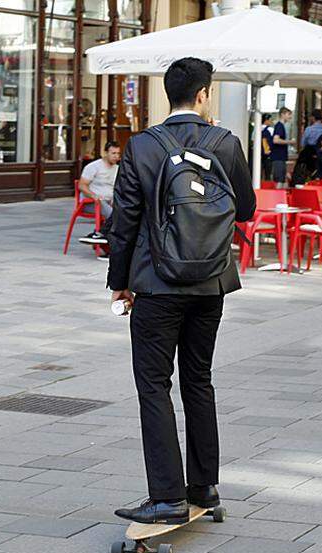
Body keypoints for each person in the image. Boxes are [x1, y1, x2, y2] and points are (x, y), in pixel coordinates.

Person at [106, 57, 256, 525]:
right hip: (211, 281)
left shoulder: (143, 146)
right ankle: (204, 486)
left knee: (154, 385)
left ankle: (167, 496)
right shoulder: (225, 143)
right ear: (204, 93)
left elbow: (124, 221)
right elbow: (247, 208)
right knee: (199, 379)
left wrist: (120, 283)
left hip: (156, 281)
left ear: (167, 94)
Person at [77, 141, 121, 251]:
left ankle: (100, 236)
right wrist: (93, 196)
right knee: (114, 215)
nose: (116, 156)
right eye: (113, 153)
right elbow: (82, 185)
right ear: (105, 153)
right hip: (91, 202)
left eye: (118, 154)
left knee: (123, 211)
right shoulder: (93, 166)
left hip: (108, 202)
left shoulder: (117, 169)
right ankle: (105, 245)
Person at [269, 107, 292, 186]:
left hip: (280, 157)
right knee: (279, 179)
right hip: (278, 157)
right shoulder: (279, 126)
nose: (290, 117)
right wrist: (289, 142)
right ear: (282, 114)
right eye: (288, 114)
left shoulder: (280, 126)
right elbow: (276, 140)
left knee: (281, 178)